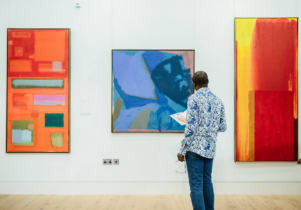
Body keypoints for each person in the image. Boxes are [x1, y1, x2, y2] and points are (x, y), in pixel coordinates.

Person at [177, 71, 227, 210]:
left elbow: (191, 127)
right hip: (210, 148)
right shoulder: (218, 100)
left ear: (194, 84)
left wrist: (182, 150)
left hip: (194, 149)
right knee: (207, 183)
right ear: (208, 82)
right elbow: (223, 127)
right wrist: (208, 125)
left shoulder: (193, 99)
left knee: (196, 185)